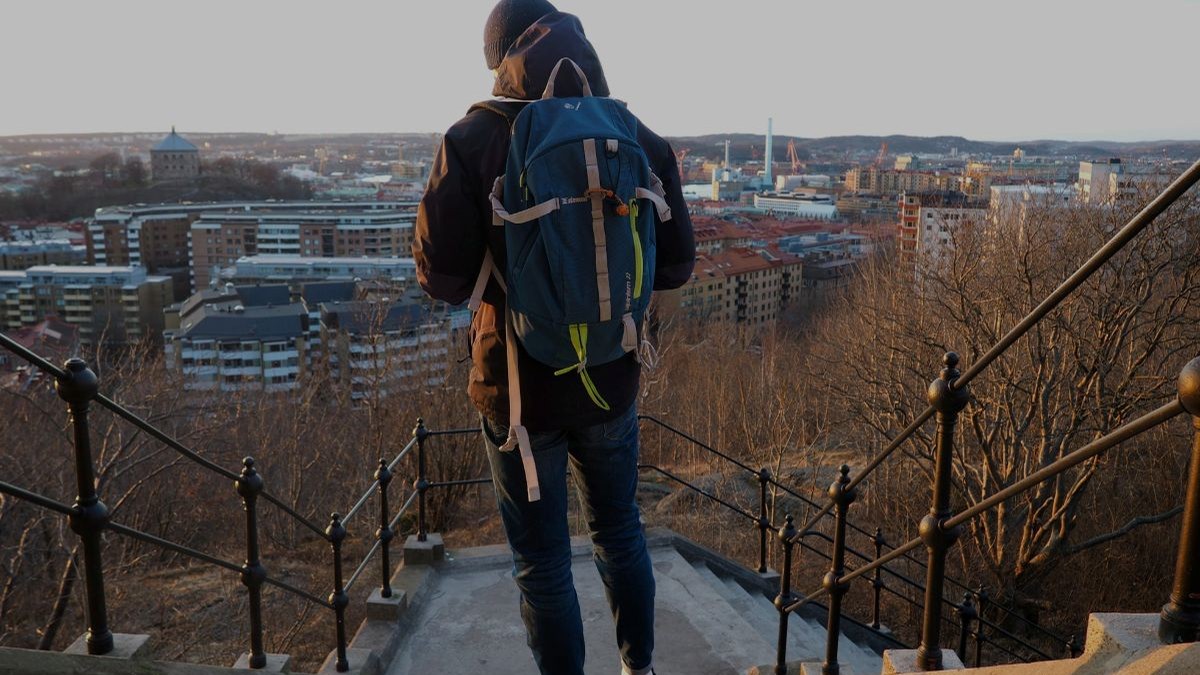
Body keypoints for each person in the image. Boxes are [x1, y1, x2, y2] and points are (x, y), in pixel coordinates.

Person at [413, 1, 695, 673]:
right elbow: (679, 263)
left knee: (541, 563)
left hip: (517, 389)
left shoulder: (473, 139)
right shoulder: (631, 131)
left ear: (501, 62)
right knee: (621, 534)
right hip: (612, 376)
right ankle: (639, 666)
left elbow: (443, 280)